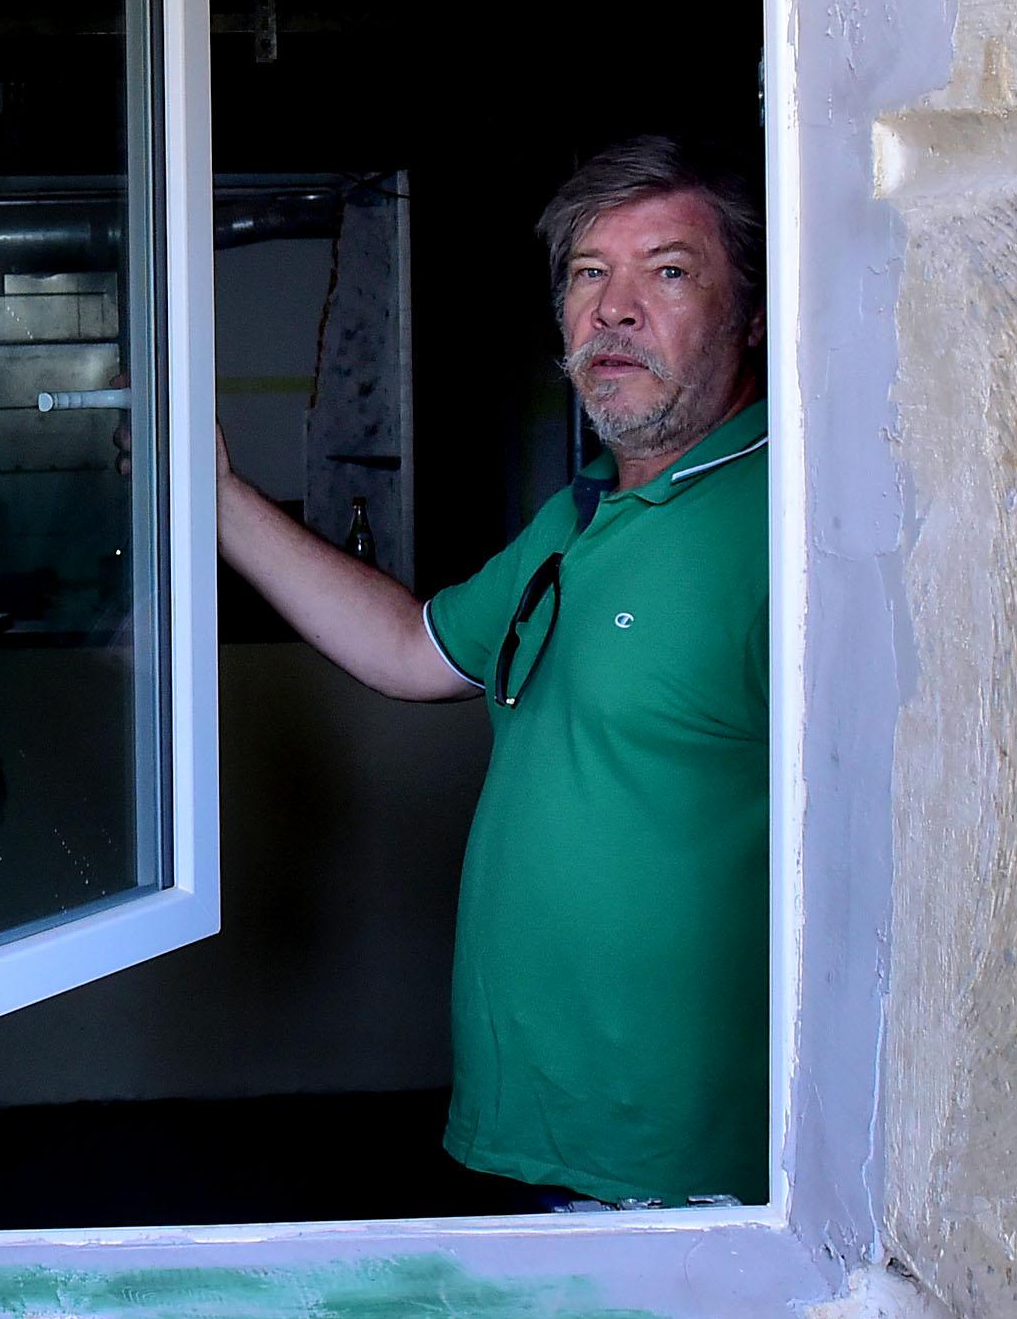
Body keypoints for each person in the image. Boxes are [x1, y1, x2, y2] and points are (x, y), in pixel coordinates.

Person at [215, 136, 769, 1206]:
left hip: (696, 1161)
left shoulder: (785, 534)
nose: (612, 309)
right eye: (585, 273)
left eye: (666, 271)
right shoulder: (581, 514)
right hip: (551, 1118)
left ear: (747, 315)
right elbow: (411, 651)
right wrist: (219, 499)